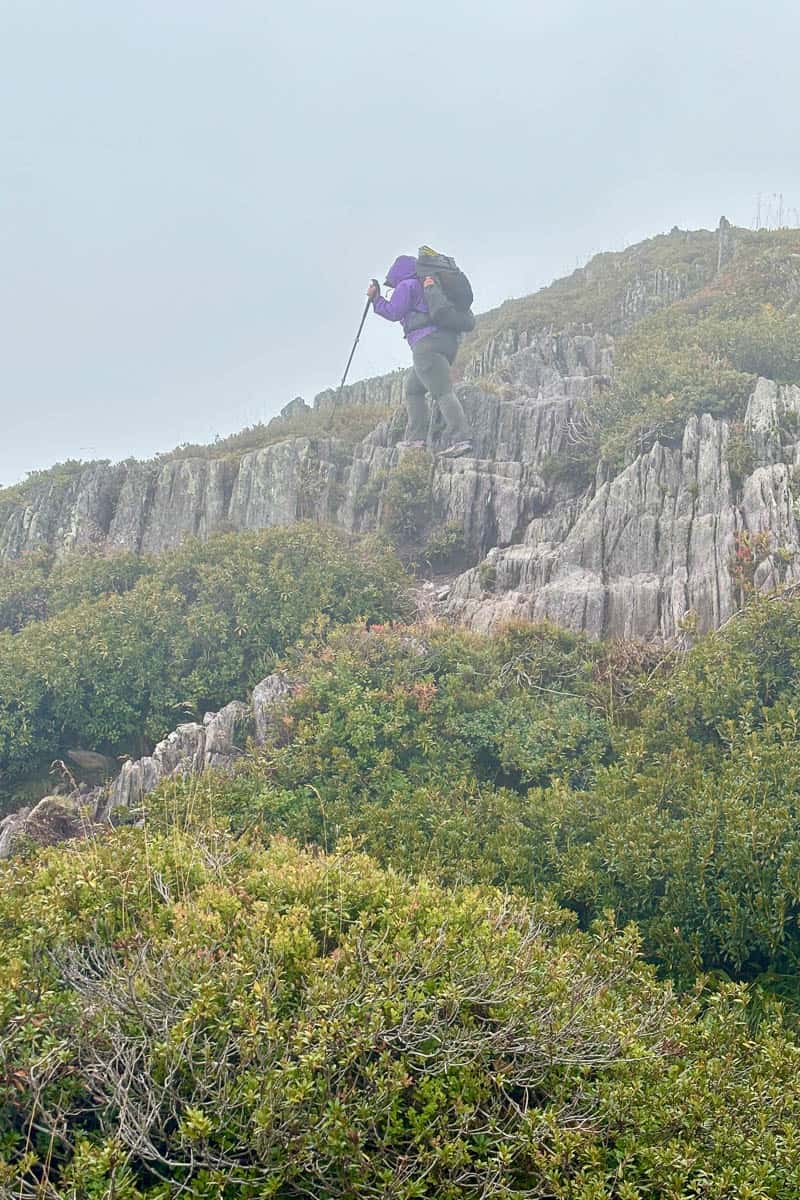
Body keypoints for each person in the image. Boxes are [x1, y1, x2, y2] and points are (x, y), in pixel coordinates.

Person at [368, 255, 473, 457]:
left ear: (397, 273)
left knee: (442, 391)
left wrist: (376, 299)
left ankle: (460, 438)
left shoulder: (407, 285)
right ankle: (416, 439)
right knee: (413, 389)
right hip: (448, 342)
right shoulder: (431, 285)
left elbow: (393, 311)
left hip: (426, 345)